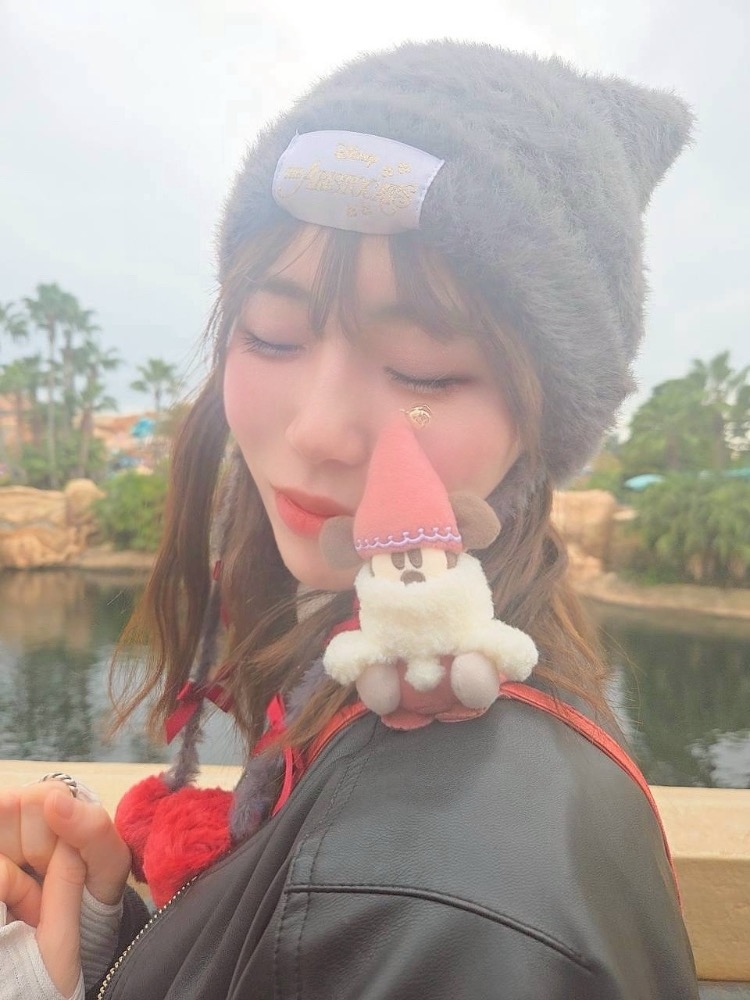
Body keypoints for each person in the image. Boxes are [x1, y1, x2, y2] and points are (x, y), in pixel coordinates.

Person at [0, 39, 699, 999]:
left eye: (423, 370)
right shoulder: (345, 709)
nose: (318, 429)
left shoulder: (440, 910)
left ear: (545, 424)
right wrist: (105, 937)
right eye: (271, 335)